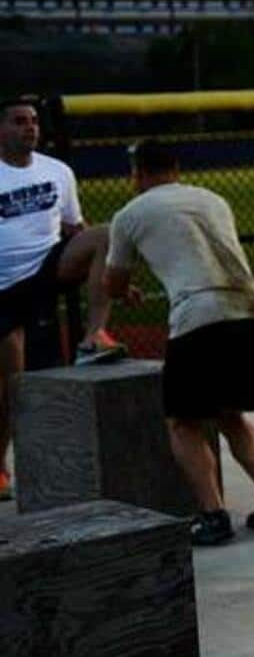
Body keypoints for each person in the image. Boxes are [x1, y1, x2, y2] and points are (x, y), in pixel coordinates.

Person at [102, 140, 254, 546]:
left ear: (136, 174)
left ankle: (212, 514)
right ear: (176, 168)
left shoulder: (130, 215)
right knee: (231, 415)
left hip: (199, 317)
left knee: (184, 422)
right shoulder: (213, 199)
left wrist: (126, 291)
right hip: (252, 307)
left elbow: (112, 282)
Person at [0, 95, 125, 502]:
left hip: (50, 267)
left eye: (34, 121)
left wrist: (106, 270)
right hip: (5, 288)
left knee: (107, 233)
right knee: (10, 386)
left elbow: (77, 226)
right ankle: (0, 466)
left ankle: (93, 338)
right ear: (1, 130)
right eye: (19, 121)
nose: (30, 127)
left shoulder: (58, 171)